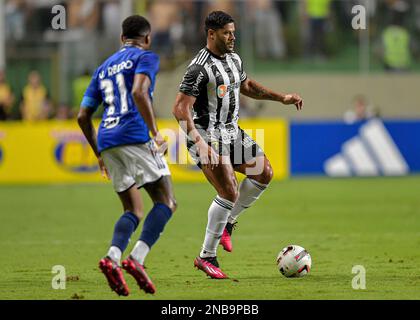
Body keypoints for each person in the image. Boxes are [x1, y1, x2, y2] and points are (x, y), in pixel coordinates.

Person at [172, 11, 303, 279]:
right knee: (229, 190)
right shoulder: (199, 68)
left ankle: (228, 223)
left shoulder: (234, 59)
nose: (232, 37)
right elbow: (179, 108)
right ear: (211, 34)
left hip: (232, 134)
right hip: (206, 136)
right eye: (226, 33)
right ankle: (206, 256)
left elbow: (248, 86)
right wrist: (199, 141)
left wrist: (282, 98)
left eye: (233, 32)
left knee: (264, 172)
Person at [77, 15, 176, 296]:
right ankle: (137, 259)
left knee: (133, 209)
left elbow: (83, 116)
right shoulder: (146, 58)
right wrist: (155, 132)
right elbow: (138, 91)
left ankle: (112, 258)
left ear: (122, 38)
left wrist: (99, 153)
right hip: (134, 134)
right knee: (167, 201)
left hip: (107, 139)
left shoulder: (102, 68)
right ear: (147, 39)